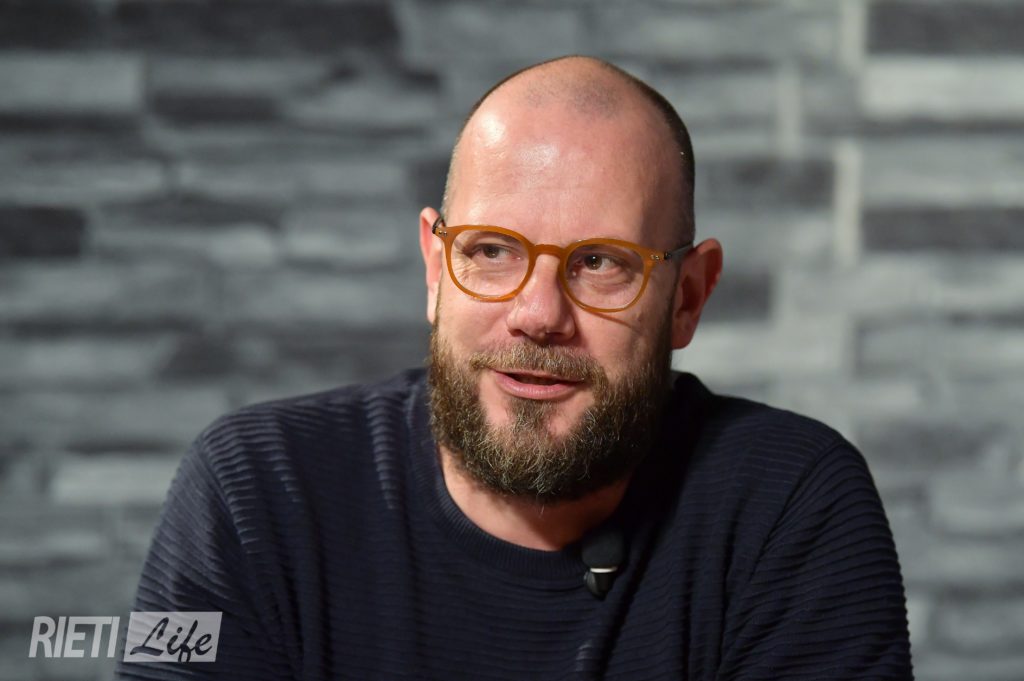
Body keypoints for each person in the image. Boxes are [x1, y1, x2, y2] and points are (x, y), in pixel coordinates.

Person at [118, 56, 913, 680]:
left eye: (600, 262)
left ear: (689, 297)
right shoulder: (252, 490)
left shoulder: (791, 504)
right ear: (436, 268)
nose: (537, 313)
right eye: (492, 250)